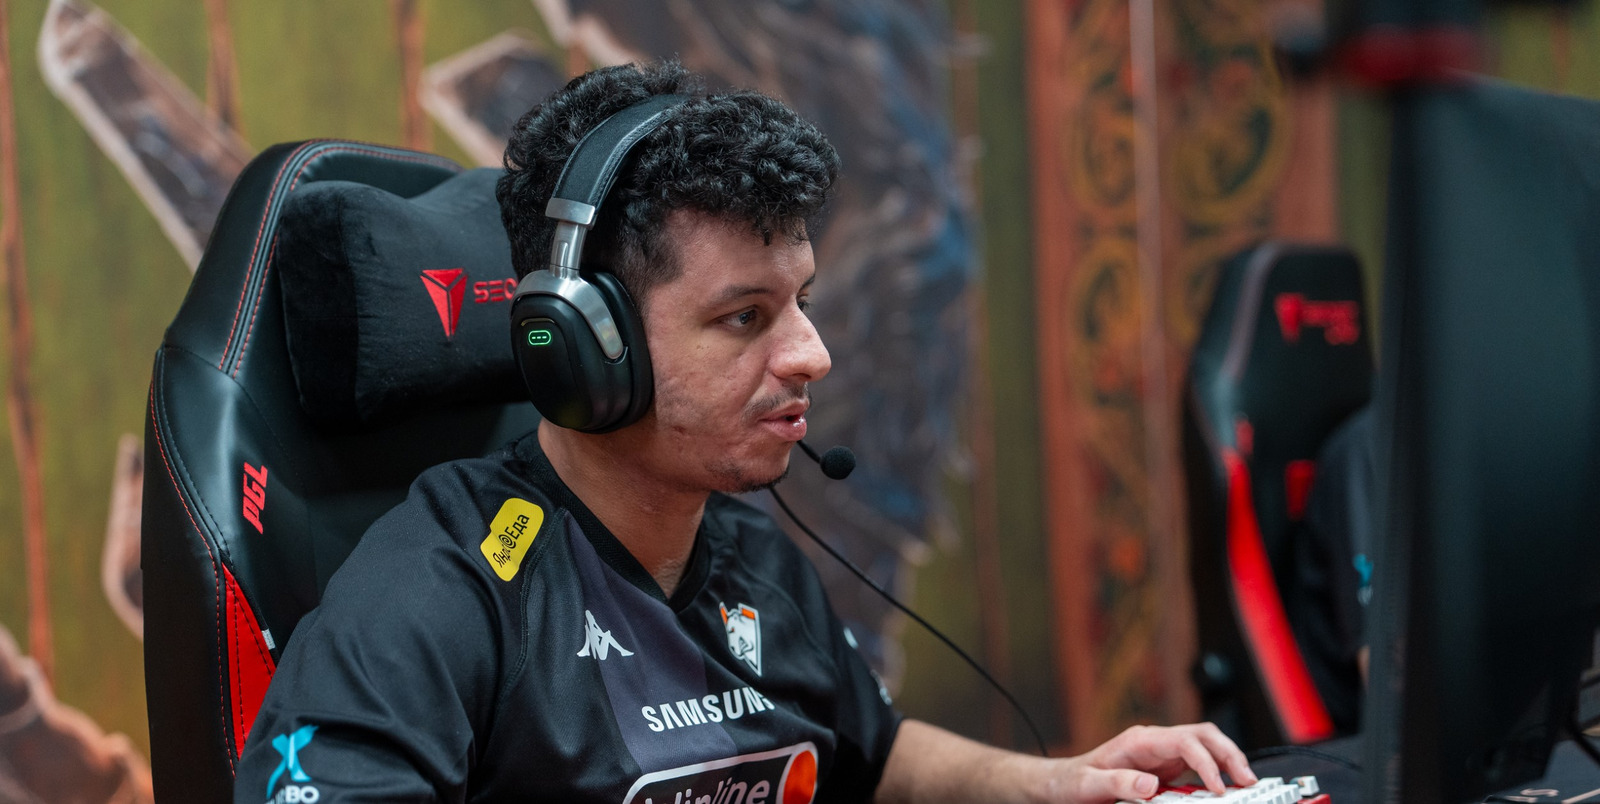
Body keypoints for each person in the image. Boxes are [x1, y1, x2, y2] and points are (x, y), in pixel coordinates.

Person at [236, 61, 1256, 804]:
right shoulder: (440, 590)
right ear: (585, 347)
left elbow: (874, 753)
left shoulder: (751, 555)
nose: (812, 354)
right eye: (744, 317)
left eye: (801, 302)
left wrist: (1064, 783)